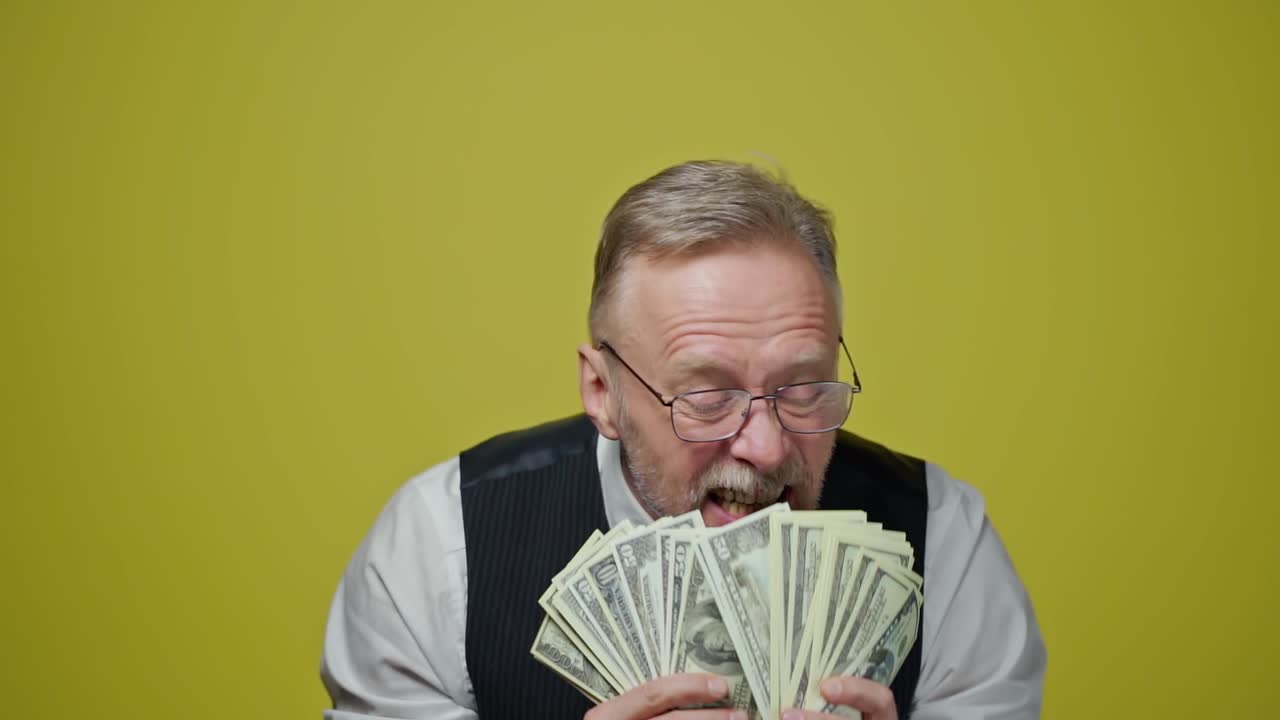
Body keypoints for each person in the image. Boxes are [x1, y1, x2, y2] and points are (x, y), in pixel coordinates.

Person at [319, 161, 1047, 719]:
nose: (765, 447)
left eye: (802, 387)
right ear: (602, 391)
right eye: (706, 396)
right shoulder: (439, 547)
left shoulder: (945, 541)